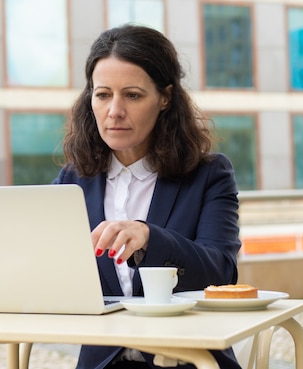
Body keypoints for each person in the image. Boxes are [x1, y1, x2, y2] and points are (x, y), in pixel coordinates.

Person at [52, 24, 242, 369]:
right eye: (103, 94)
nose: (115, 111)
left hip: (190, 360)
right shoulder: (72, 181)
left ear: (165, 98)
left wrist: (150, 239)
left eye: (133, 95)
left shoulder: (209, 175)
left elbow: (222, 273)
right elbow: (49, 271)